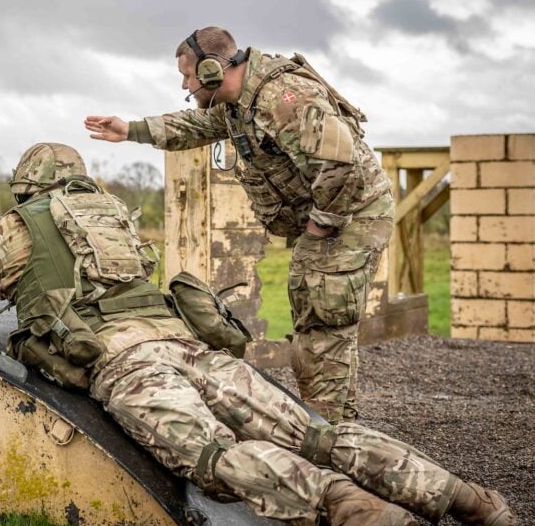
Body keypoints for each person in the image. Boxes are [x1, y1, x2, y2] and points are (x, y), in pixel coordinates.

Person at [0, 142, 514, 526]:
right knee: (316, 433)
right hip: (188, 346)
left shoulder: (14, 228)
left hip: (125, 361)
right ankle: (471, 501)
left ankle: (348, 508)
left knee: (211, 455)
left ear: (26, 186)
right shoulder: (113, 212)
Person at [84, 27, 393, 425]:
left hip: (351, 214)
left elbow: (341, 165)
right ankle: (337, 424)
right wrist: (130, 130)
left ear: (212, 70)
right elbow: (195, 126)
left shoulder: (285, 98)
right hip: (334, 215)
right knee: (323, 320)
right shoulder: (237, 104)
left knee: (322, 316)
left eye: (187, 76)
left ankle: (329, 433)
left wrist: (320, 226)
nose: (184, 84)